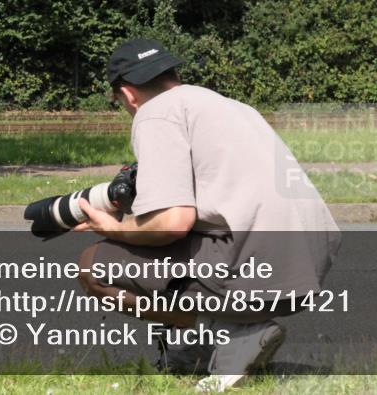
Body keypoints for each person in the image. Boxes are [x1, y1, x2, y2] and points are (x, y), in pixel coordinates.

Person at [73, 38, 341, 392]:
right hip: (308, 265)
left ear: (128, 93)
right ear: (172, 74)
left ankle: (232, 335)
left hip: (261, 268)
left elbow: (172, 222)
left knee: (93, 264)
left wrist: (115, 226)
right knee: (168, 255)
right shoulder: (231, 106)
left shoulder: (156, 112)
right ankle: (200, 351)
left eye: (118, 102)